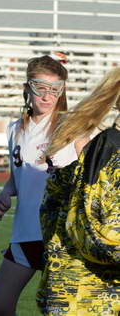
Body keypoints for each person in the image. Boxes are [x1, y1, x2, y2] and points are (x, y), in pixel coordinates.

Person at [0, 54, 88, 316]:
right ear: (27, 88)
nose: (47, 96)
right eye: (40, 88)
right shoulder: (14, 129)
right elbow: (19, 173)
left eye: (54, 90)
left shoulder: (70, 125)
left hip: (61, 236)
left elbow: (91, 172)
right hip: (25, 233)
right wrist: (6, 192)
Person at [37, 67, 120, 315]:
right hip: (87, 298)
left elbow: (50, 209)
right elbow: (102, 235)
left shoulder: (102, 149)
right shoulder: (111, 151)